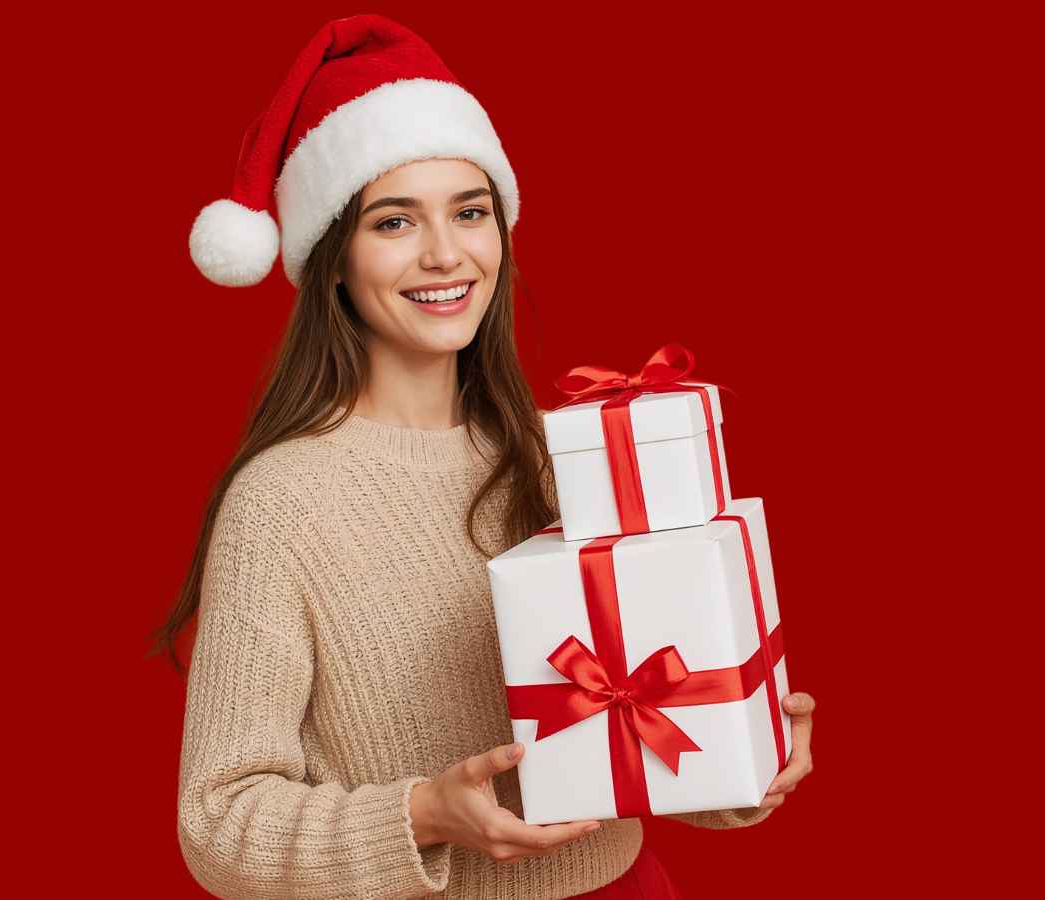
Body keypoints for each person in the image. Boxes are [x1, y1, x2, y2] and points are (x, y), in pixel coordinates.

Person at [152, 15, 816, 899]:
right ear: (333, 259)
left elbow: (623, 731)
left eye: (470, 212)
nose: (445, 254)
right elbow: (219, 824)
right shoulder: (283, 502)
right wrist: (423, 813)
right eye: (394, 221)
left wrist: (741, 754)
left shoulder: (561, 454)